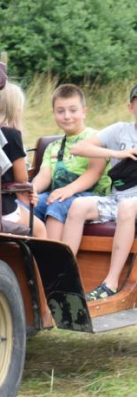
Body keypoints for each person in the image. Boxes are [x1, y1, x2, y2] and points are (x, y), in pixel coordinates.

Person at [60, 85, 137, 300]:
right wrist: (118, 153)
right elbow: (78, 148)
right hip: (118, 198)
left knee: (128, 206)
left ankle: (111, 283)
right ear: (131, 106)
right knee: (78, 206)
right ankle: (65, 278)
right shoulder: (120, 130)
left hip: (131, 204)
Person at [31, 84, 111, 241]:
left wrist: (68, 190)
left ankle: (52, 259)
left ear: (84, 112)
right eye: (60, 111)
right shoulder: (52, 147)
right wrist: (31, 190)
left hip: (92, 195)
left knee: (58, 204)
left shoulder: (97, 138)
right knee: (27, 206)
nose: (67, 116)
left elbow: (95, 172)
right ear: (54, 113)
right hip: (58, 193)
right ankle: (24, 257)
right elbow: (44, 176)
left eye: (73, 110)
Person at [0, 82, 47, 238]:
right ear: (16, 108)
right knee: (40, 229)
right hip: (2, 207)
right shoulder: (11, 135)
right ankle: (39, 263)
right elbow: (22, 179)